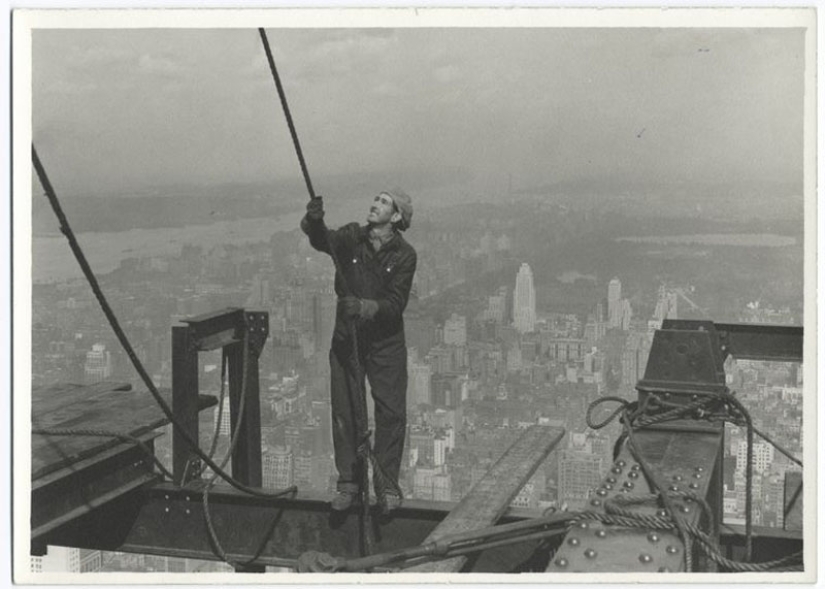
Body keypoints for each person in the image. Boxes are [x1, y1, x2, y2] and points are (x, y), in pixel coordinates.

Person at [301, 189, 417, 514]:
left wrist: (364, 307)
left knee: (391, 413)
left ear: (395, 217)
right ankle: (349, 484)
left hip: (385, 342)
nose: (374, 204)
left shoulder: (405, 255)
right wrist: (314, 220)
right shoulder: (353, 236)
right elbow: (323, 241)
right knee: (345, 410)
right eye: (375, 199)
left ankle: (387, 487)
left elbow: (395, 305)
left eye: (383, 202)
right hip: (347, 338)